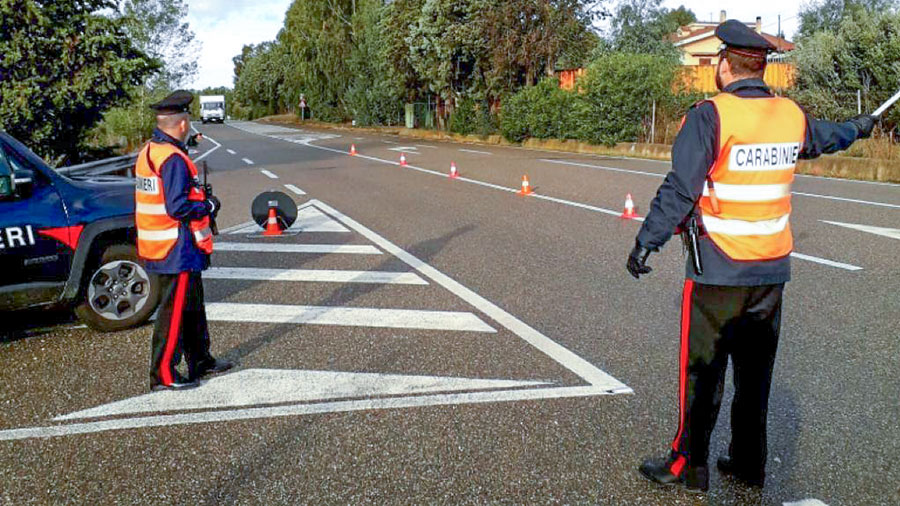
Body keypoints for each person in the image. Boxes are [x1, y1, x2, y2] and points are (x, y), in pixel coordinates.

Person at [627, 20, 875, 492]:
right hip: (770, 272)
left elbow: (682, 187)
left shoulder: (709, 116)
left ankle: (688, 465)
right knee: (755, 375)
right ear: (760, 68)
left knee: (703, 372)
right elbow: (825, 137)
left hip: (718, 269)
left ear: (723, 65)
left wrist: (647, 240)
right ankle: (747, 463)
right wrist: (858, 128)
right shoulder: (789, 115)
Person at [134, 90, 233, 391]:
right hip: (176, 247)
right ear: (181, 124)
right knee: (173, 312)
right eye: (187, 121)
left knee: (192, 307)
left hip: (168, 245)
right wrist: (208, 206)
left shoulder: (150, 150)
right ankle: (163, 373)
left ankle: (200, 359)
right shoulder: (173, 159)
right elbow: (177, 206)